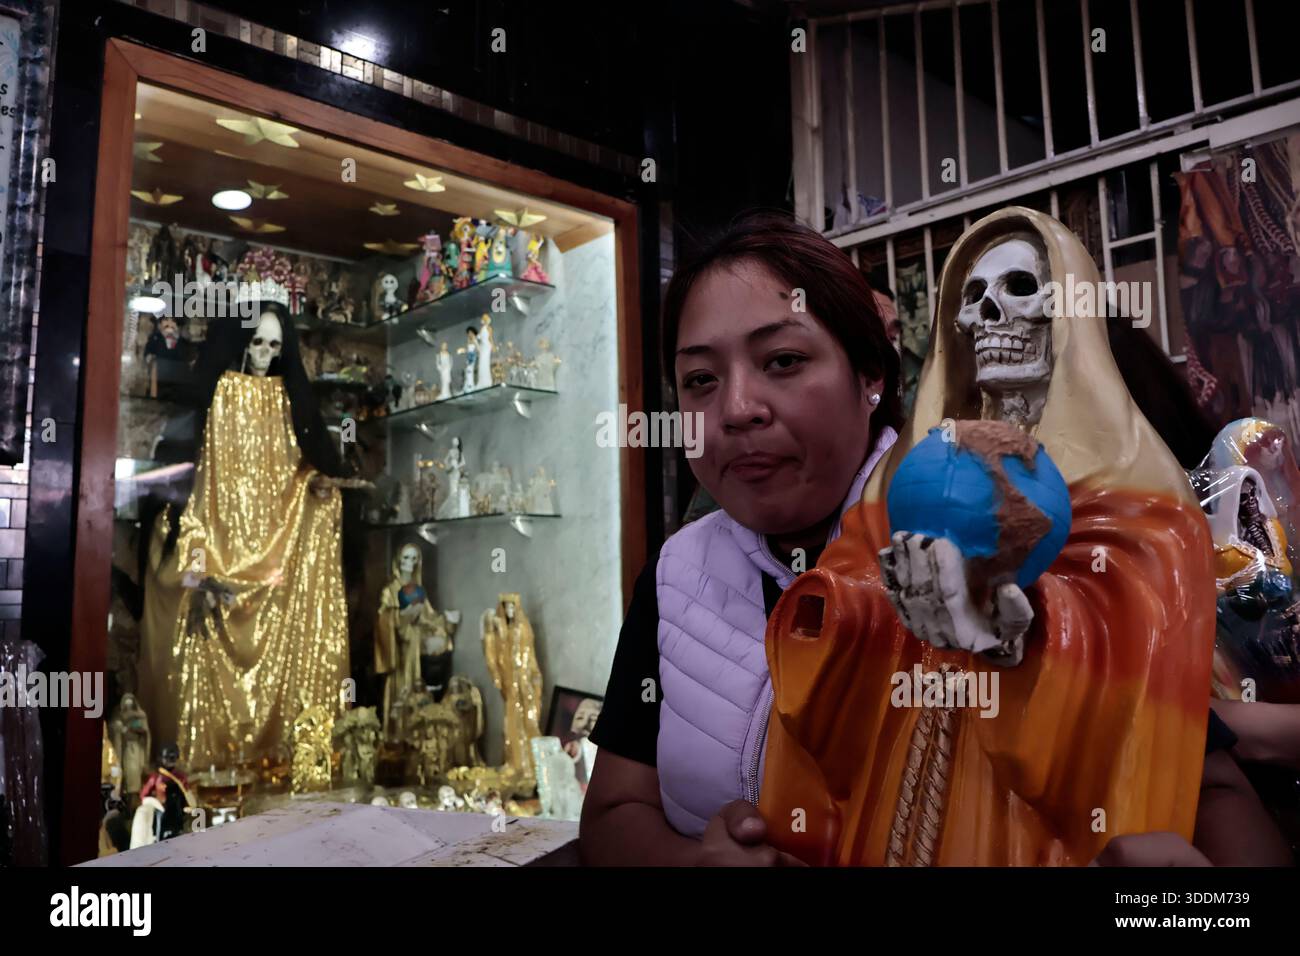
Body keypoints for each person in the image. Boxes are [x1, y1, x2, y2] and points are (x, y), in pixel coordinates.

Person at [579, 211, 903, 865]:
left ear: (870, 376)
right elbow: (614, 813)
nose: (735, 409)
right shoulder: (676, 575)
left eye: (783, 360)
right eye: (701, 379)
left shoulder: (969, 554)